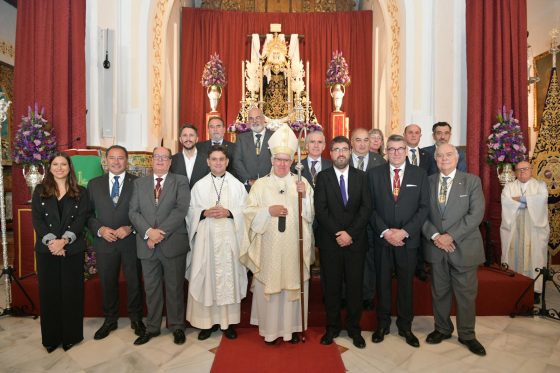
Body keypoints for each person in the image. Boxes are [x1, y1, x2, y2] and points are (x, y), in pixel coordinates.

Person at [240, 124, 314, 345]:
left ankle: (292, 329)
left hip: (293, 246)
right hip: (268, 247)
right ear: (271, 161)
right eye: (278, 159)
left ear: (292, 161)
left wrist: (306, 197)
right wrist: (267, 212)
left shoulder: (301, 183)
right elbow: (248, 213)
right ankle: (271, 331)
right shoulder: (260, 185)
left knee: (292, 283)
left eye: (286, 160)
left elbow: (310, 216)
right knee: (271, 284)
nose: (282, 164)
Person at [422, 143, 486, 356]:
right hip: (436, 247)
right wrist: (435, 236)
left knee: (466, 295)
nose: (444, 158)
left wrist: (451, 236)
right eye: (439, 155)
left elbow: (476, 214)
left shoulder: (471, 181)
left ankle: (467, 334)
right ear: (435, 159)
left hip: (464, 247)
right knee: (439, 292)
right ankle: (442, 329)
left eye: (449, 154)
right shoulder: (427, 182)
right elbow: (420, 214)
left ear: (457, 158)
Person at [368, 134, 429, 348]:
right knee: (382, 284)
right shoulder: (373, 174)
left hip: (407, 241)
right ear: (386, 151)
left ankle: (405, 327)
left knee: (405, 285)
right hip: (383, 240)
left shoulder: (420, 174)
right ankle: (382, 324)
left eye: (400, 149)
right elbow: (370, 207)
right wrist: (386, 231)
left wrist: (404, 232)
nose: (395, 153)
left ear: (406, 150)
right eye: (391, 149)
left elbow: (424, 208)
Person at [186, 145, 248, 340]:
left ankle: (227, 323)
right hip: (206, 242)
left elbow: (246, 211)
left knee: (228, 279)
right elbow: (189, 211)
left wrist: (230, 212)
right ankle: (207, 323)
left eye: (222, 159)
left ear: (227, 162)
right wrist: (203, 213)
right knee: (207, 278)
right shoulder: (199, 185)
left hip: (229, 241)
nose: (218, 162)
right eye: (214, 159)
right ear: (208, 161)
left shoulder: (237, 185)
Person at [314, 136, 371, 349]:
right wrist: (339, 233)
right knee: (332, 287)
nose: (340, 153)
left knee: (355, 287)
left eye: (344, 149)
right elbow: (321, 210)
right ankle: (332, 327)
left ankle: (355, 329)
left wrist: (351, 234)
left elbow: (366, 208)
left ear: (350, 152)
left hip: (356, 243)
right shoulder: (323, 177)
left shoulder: (362, 177)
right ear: (330, 154)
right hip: (331, 243)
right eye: (336, 149)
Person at [129, 147, 190, 346]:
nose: (161, 160)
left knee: (174, 287)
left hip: (172, 243)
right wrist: (148, 232)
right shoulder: (139, 183)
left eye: (165, 157)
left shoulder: (180, 181)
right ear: (151, 160)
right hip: (146, 245)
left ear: (170, 162)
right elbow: (133, 212)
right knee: (151, 288)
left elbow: (180, 210)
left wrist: (158, 234)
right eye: (157, 157)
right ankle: (152, 327)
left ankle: (177, 326)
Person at [31, 152, 89, 353]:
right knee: (49, 294)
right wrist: (53, 243)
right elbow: (37, 220)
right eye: (55, 164)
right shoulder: (39, 190)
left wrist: (63, 242)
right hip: (47, 250)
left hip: (71, 249)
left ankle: (71, 336)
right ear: (50, 167)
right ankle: (50, 338)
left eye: (63, 164)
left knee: (71, 293)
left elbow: (80, 220)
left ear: (69, 167)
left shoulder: (81, 192)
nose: (59, 167)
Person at [87, 145, 145, 340]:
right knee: (107, 282)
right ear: (106, 161)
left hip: (130, 241)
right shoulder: (94, 184)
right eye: (112, 158)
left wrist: (131, 227)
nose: (116, 161)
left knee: (134, 281)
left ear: (126, 161)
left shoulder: (138, 183)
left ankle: (136, 318)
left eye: (120, 158)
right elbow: (87, 215)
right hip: (105, 242)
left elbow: (145, 213)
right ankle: (110, 319)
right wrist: (100, 230)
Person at [500, 161, 550, 304]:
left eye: (525, 169)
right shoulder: (510, 186)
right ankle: (514, 287)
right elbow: (506, 201)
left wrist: (520, 200)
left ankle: (535, 291)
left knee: (535, 257)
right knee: (513, 255)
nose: (522, 172)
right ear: (515, 172)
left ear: (531, 170)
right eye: (519, 170)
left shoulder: (540, 185)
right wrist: (528, 202)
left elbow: (541, 200)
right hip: (514, 229)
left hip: (534, 231)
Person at [350, 127, 385, 309]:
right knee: (347, 259)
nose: (362, 144)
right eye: (358, 140)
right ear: (351, 142)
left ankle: (367, 296)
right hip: (348, 221)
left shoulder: (380, 162)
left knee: (369, 260)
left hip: (371, 221)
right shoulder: (343, 160)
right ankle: (346, 295)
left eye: (366, 140)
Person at [403, 123, 431, 282]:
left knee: (420, 236)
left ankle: (419, 268)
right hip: (402, 201)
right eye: (410, 132)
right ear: (405, 135)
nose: (413, 135)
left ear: (420, 136)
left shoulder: (427, 155)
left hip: (421, 202)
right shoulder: (398, 154)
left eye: (417, 133)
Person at [233, 107, 273, 191]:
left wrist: (270, 180)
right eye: (251, 118)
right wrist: (249, 180)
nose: (254, 121)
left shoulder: (274, 136)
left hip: (270, 186)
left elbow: (278, 160)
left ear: (263, 119)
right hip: (248, 187)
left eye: (257, 118)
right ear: (248, 121)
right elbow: (237, 161)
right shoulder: (241, 138)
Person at [170, 124, 210, 189]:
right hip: (179, 199)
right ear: (180, 139)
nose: (188, 139)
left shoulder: (207, 160)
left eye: (191, 135)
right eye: (185, 135)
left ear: (196, 139)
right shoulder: (172, 160)